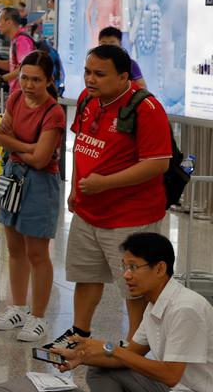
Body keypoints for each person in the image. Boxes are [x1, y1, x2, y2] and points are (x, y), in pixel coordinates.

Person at [55, 44, 171, 348]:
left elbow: (158, 163)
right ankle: (79, 334)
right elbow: (81, 143)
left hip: (130, 216)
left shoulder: (147, 109)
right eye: (87, 72)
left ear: (123, 77)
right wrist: (74, 187)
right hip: (88, 211)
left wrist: (105, 183)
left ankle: (136, 347)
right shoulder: (86, 100)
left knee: (134, 287)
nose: (90, 79)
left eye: (99, 74)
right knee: (87, 275)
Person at [52, 233, 213, 392]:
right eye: (124, 267)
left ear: (160, 269)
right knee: (100, 369)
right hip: (181, 391)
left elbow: (170, 374)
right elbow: (131, 354)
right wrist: (81, 357)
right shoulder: (154, 304)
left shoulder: (185, 308)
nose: (126, 275)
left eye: (134, 267)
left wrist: (111, 349)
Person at [0, 51, 67, 343]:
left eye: (37, 79)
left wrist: (16, 147)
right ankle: (18, 308)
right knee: (14, 248)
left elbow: (41, 160)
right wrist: (27, 148)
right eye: (24, 77)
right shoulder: (15, 98)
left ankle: (38, 317)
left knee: (37, 252)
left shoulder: (54, 113)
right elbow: (1, 137)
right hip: (11, 175)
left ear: (49, 81)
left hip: (39, 184)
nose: (29, 84)